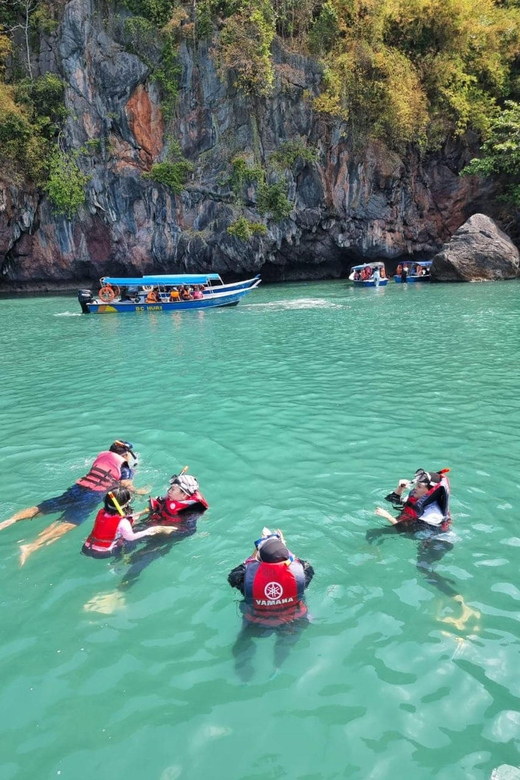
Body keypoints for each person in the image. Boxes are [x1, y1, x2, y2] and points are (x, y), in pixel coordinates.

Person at [0, 440, 148, 565]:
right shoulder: (124, 466)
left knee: (45, 507)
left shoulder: (102, 456)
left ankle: (9, 521)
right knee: (69, 521)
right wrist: (139, 491)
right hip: (93, 495)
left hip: (79, 487)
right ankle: (31, 546)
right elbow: (125, 486)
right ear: (126, 454)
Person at [228, 529, 314, 680]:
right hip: (293, 619)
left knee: (242, 643)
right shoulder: (303, 572)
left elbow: (232, 577)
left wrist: (257, 549)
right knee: (286, 643)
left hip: (258, 621)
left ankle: (245, 677)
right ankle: (277, 667)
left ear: (260, 559)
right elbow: (300, 563)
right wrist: (282, 544)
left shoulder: (245, 576)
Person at [368, 468, 459, 597]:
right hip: (415, 527)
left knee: (422, 568)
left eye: (419, 486)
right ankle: (374, 552)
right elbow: (392, 500)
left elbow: (406, 532)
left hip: (437, 541)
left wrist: (388, 516)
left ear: (430, 492)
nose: (414, 488)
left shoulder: (432, 514)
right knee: (373, 532)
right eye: (416, 484)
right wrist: (400, 488)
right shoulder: (419, 497)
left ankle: (456, 598)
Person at [81, 488, 173, 558]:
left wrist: (142, 513)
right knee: (129, 544)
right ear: (125, 503)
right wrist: (150, 530)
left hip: (86, 548)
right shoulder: (123, 522)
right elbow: (131, 538)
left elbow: (117, 520)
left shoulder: (102, 512)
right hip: (102, 554)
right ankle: (116, 563)